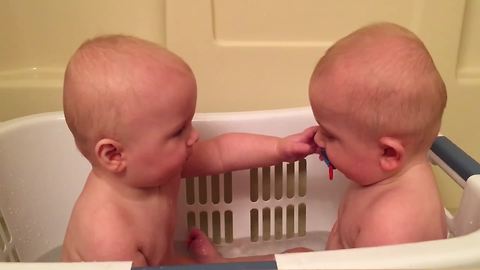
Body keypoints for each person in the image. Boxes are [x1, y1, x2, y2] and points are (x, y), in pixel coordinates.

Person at [61, 35, 317, 266]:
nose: (193, 136)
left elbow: (222, 152)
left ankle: (216, 262)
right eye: (178, 131)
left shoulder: (155, 166)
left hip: (167, 263)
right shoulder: (108, 236)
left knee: (301, 258)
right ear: (114, 155)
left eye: (189, 122)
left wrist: (280, 148)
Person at [308, 22, 448, 250]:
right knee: (294, 255)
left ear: (388, 153)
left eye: (330, 135)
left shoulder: (392, 225)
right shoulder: (378, 177)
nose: (317, 139)